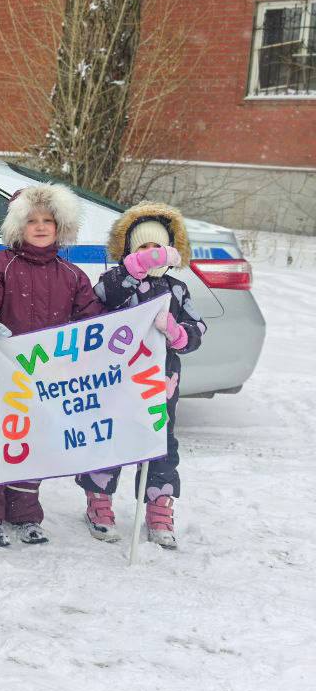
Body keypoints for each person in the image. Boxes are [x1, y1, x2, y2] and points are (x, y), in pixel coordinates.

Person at [0, 185, 104, 547]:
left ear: (61, 227)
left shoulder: (71, 275)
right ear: (17, 226)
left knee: (32, 443)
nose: (40, 227)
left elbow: (88, 323)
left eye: (48, 221)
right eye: (32, 221)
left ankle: (23, 512)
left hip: (46, 379)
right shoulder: (0, 264)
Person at [76, 203, 205, 549]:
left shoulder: (176, 290)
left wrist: (176, 332)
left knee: (159, 441)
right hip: (116, 379)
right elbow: (100, 300)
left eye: (158, 248)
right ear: (131, 251)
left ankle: (159, 505)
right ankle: (99, 501)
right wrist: (134, 271)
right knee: (111, 435)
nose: (151, 255)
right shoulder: (116, 281)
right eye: (143, 248)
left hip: (160, 382)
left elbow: (196, 332)